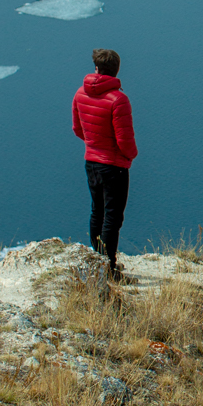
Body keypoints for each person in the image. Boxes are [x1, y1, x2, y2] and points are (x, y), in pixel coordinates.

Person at [72, 47, 138, 277]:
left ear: (97, 69)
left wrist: (93, 144)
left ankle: (99, 262)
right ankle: (109, 269)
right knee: (113, 216)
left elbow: (77, 129)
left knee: (96, 211)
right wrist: (131, 155)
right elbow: (124, 140)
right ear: (116, 70)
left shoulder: (80, 93)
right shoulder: (119, 99)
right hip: (114, 166)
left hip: (91, 162)